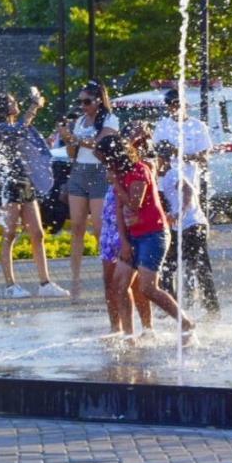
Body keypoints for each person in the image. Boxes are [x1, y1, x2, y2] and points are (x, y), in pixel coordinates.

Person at [99, 134, 195, 342]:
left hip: (154, 235)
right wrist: (124, 242)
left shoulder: (139, 171)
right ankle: (128, 335)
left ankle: (185, 322)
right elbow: (119, 211)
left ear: (115, 157)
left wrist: (115, 182)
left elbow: (135, 204)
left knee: (147, 288)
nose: (104, 166)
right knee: (119, 284)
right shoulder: (120, 174)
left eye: (105, 160)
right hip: (133, 237)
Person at [0, 92, 67, 299]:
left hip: (26, 181)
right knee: (10, 235)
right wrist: (34, 106)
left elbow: (32, 144)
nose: (15, 103)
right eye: (11, 101)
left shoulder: (18, 126)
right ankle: (10, 286)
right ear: (2, 107)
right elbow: (18, 131)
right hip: (9, 182)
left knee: (38, 233)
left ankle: (45, 283)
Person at [57, 81, 119, 297]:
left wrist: (74, 138)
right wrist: (67, 138)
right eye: (80, 101)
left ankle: (108, 278)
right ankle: (75, 281)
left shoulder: (110, 119)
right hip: (79, 173)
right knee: (76, 227)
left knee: (100, 229)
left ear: (99, 101)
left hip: (100, 172)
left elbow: (100, 143)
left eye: (87, 101)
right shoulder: (80, 121)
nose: (83, 106)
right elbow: (73, 154)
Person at [155, 141, 220, 318]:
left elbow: (189, 190)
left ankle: (211, 309)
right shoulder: (166, 174)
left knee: (198, 266)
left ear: (162, 159)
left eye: (156, 158)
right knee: (168, 266)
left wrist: (180, 212)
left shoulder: (173, 173)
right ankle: (174, 306)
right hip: (184, 226)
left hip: (192, 225)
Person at [151, 86, 213, 188]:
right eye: (170, 105)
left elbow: (204, 159)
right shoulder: (162, 125)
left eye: (178, 104)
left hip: (189, 182)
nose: (174, 108)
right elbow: (154, 155)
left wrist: (178, 154)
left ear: (186, 105)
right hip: (165, 182)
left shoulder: (197, 126)